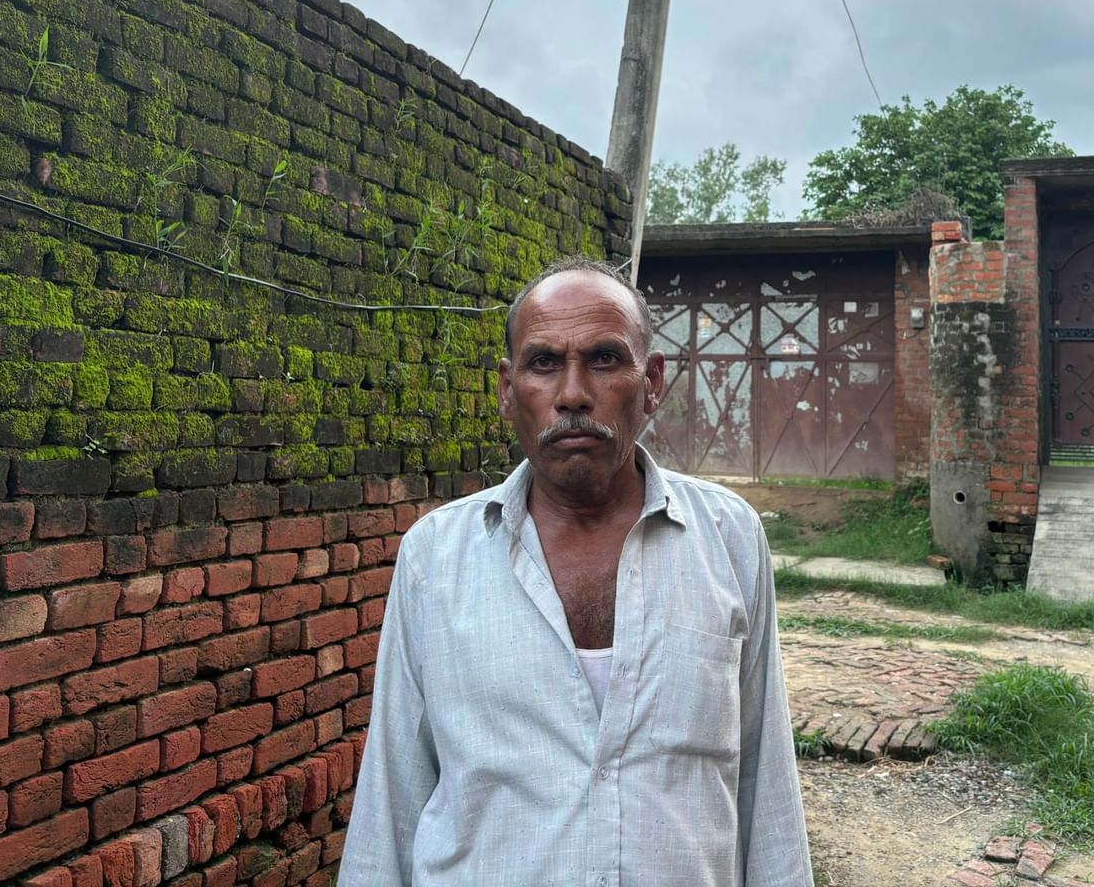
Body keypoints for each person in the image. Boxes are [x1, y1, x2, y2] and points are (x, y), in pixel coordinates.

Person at [339, 256, 812, 886]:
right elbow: (393, 793)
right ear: (508, 390)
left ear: (653, 382)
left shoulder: (727, 540)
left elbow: (765, 782)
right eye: (543, 363)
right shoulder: (437, 555)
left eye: (605, 359)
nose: (572, 393)